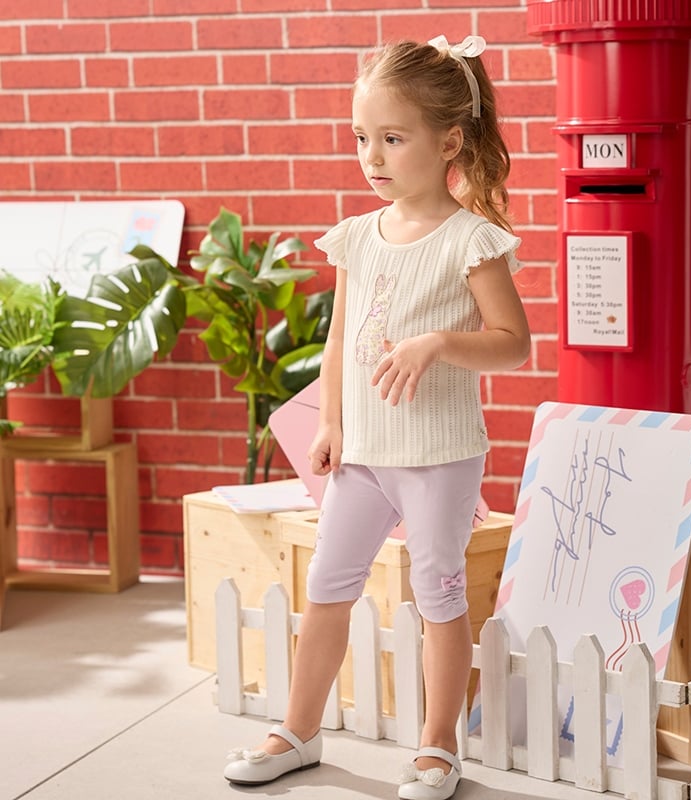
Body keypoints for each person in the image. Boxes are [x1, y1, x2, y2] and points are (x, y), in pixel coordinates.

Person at [224, 33, 530, 800]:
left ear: (448, 141)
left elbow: (513, 344)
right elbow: (339, 341)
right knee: (329, 583)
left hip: (439, 454)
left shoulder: (473, 240)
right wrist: (330, 424)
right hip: (361, 453)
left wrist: (438, 342)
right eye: (362, 137)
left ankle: (437, 746)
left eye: (392, 138)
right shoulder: (358, 236)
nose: (372, 156)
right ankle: (299, 729)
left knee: (438, 593)